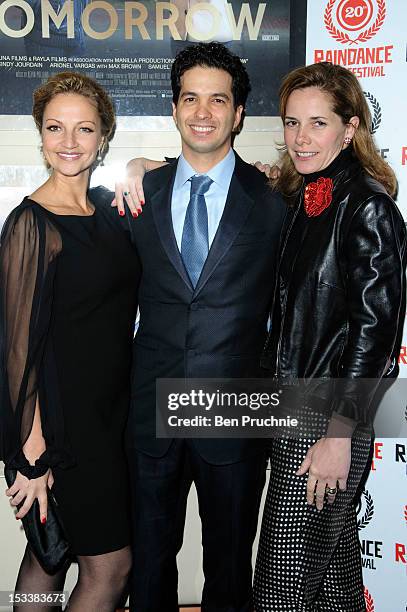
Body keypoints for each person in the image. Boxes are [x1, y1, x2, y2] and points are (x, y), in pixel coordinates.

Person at [115, 42, 286, 611]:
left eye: (219, 99)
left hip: (235, 414)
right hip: (151, 413)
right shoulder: (138, 193)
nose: (203, 111)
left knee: (230, 572)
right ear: (174, 108)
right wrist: (138, 165)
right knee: (150, 568)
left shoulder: (274, 200)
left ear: (239, 113)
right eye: (191, 97)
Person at [253, 62, 406, 611]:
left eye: (317, 124)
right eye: (292, 123)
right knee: (333, 585)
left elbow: (377, 333)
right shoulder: (311, 198)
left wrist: (340, 433)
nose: (300, 138)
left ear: (350, 129)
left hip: (328, 420)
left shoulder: (365, 206)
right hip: (296, 412)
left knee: (281, 592)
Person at [0, 72, 139, 612]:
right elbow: (15, 350)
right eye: (55, 128)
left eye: (84, 129)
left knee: (48, 554)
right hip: (61, 426)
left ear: (103, 137)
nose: (69, 142)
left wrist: (140, 165)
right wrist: (33, 454)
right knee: (109, 568)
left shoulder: (107, 209)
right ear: (40, 134)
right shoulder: (30, 224)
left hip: (111, 415)